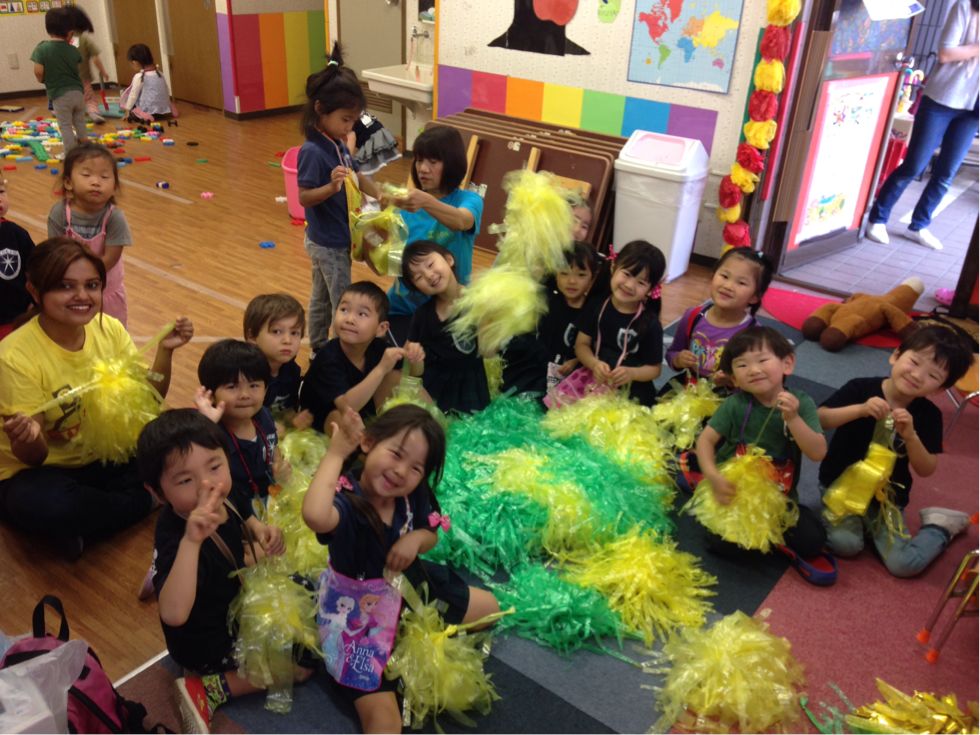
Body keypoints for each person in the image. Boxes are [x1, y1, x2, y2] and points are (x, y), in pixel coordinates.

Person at [302, 404, 500, 733]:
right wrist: (336, 453)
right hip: (360, 617)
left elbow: (430, 534)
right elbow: (315, 516)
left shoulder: (412, 494)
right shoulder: (347, 500)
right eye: (395, 454)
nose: (400, 471)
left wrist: (415, 540)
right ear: (368, 443)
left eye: (415, 468)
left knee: (491, 609)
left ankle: (412, 643)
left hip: (410, 589)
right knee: (386, 724)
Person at [0, 237, 193, 559]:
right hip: (44, 470)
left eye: (91, 285)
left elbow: (148, 399)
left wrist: (165, 352)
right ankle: (145, 500)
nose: (82, 296)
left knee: (187, 438)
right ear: (34, 291)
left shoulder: (109, 328)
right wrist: (28, 438)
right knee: (47, 505)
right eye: (65, 286)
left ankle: (87, 526)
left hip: (102, 455)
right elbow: (34, 457)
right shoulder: (14, 357)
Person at [136, 409, 304, 735]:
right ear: (157, 493)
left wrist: (261, 532)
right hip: (207, 644)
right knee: (300, 666)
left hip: (231, 602)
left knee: (303, 594)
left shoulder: (226, 492)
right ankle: (206, 689)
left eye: (214, 466)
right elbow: (173, 613)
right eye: (185, 480)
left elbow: (244, 513)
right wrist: (192, 541)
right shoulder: (177, 536)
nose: (208, 485)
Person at [817, 326, 973, 577]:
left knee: (903, 564)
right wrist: (859, 410)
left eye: (932, 375)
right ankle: (861, 528)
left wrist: (911, 436)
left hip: (886, 500)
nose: (917, 376)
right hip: (839, 488)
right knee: (845, 545)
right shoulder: (860, 388)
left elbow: (926, 469)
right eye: (914, 362)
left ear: (939, 389)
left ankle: (940, 526)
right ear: (896, 355)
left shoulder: (928, 415)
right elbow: (820, 419)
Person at [695, 326, 834, 585]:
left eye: (762, 360)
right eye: (742, 365)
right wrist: (713, 476)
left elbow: (817, 452)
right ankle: (764, 539)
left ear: (787, 364)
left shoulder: (801, 403)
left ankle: (769, 537)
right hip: (735, 495)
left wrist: (793, 418)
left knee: (814, 541)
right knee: (719, 544)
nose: (754, 370)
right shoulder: (735, 405)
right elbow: (705, 441)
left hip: (779, 498)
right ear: (734, 378)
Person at [866, 0, 979, 251]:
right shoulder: (964, 7)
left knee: (946, 172)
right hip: (941, 99)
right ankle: (878, 218)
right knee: (914, 164)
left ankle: (919, 224)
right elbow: (945, 53)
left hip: (973, 110)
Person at [298, 43, 382, 352]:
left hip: (336, 238)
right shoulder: (313, 151)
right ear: (321, 109)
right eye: (345, 120)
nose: (350, 127)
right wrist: (330, 189)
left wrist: (380, 193)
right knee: (342, 301)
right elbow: (304, 198)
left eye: (353, 121)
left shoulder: (337, 144)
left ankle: (319, 348)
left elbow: (356, 173)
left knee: (321, 297)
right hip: (327, 243)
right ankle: (338, 353)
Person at [385, 126, 484, 344]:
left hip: (449, 311)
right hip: (403, 310)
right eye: (419, 160)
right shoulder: (404, 208)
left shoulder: (468, 200)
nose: (423, 168)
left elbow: (461, 221)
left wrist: (426, 201)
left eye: (433, 161)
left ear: (452, 163)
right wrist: (368, 246)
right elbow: (391, 265)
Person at [301, 281, 424, 432]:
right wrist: (381, 369)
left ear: (381, 329)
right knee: (342, 419)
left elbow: (413, 375)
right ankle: (371, 445)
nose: (349, 319)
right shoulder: (328, 358)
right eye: (344, 310)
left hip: (362, 412)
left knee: (394, 376)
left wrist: (415, 358)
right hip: (323, 422)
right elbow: (347, 407)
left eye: (362, 314)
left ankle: (438, 431)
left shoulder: (377, 347)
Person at [193, 340, 283, 516]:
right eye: (232, 387)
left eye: (254, 385)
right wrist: (208, 425)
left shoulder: (263, 415)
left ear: (265, 389)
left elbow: (274, 445)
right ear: (210, 394)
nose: (245, 395)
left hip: (268, 494)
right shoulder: (211, 433)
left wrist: (278, 463)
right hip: (233, 508)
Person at [499, 239, 597, 397]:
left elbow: (591, 347)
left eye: (581, 275)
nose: (572, 281)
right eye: (564, 273)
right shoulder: (547, 298)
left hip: (566, 376)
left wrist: (577, 361)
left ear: (592, 279)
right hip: (535, 366)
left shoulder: (592, 311)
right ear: (556, 274)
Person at [574, 240, 666, 406]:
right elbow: (581, 344)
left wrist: (632, 373)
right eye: (627, 274)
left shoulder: (650, 324)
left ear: (651, 290)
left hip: (631, 390)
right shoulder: (596, 305)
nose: (630, 285)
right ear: (613, 267)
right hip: (594, 378)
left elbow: (655, 369)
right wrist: (594, 364)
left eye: (641, 282)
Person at [665, 247, 773, 388]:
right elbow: (672, 353)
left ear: (755, 297)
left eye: (741, 283)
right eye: (724, 276)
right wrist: (678, 360)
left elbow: (757, 380)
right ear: (713, 275)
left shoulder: (753, 334)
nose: (728, 286)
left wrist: (732, 380)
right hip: (689, 387)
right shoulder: (693, 316)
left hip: (728, 396)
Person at [48, 142, 131, 326]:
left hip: (105, 291)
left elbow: (111, 257)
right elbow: (56, 253)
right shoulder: (60, 213)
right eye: (86, 175)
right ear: (68, 183)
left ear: (114, 186)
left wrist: (87, 279)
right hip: (69, 290)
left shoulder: (114, 217)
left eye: (104, 177)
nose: (96, 182)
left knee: (108, 335)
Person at [403, 241, 490, 414]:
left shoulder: (477, 301)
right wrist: (414, 358)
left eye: (430, 264)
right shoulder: (422, 315)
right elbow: (414, 372)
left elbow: (489, 351)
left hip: (471, 387)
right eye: (418, 277)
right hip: (435, 390)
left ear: (449, 259)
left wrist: (487, 318)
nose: (429, 275)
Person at [243, 293, 312, 429]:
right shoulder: (245, 376)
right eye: (276, 332)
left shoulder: (291, 370)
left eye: (294, 333)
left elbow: (286, 407)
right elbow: (237, 418)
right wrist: (268, 426)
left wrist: (293, 418)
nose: (287, 340)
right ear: (252, 336)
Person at [31, 7, 87, 153]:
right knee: (80, 122)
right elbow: (77, 69)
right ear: (70, 33)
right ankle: (86, 147)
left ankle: (70, 153)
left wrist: (42, 80)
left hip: (60, 95)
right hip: (78, 93)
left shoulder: (42, 48)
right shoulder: (73, 50)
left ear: (48, 29)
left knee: (65, 125)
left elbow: (38, 71)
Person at [0, 179, 36, 340]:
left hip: (16, 321)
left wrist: (35, 301)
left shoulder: (17, 234)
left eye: (1, 191)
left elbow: (37, 269)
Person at [64, 6, 108, 124]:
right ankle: (94, 113)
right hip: (83, 78)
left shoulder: (64, 41)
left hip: (66, 79)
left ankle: (70, 115)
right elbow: (95, 58)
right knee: (89, 99)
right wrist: (103, 71)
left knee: (69, 98)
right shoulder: (84, 40)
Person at [119, 44, 173, 123]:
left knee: (132, 106)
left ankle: (143, 114)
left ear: (135, 63)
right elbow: (166, 90)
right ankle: (166, 110)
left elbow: (133, 95)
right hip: (163, 110)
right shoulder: (159, 73)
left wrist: (127, 110)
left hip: (148, 110)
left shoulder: (139, 76)